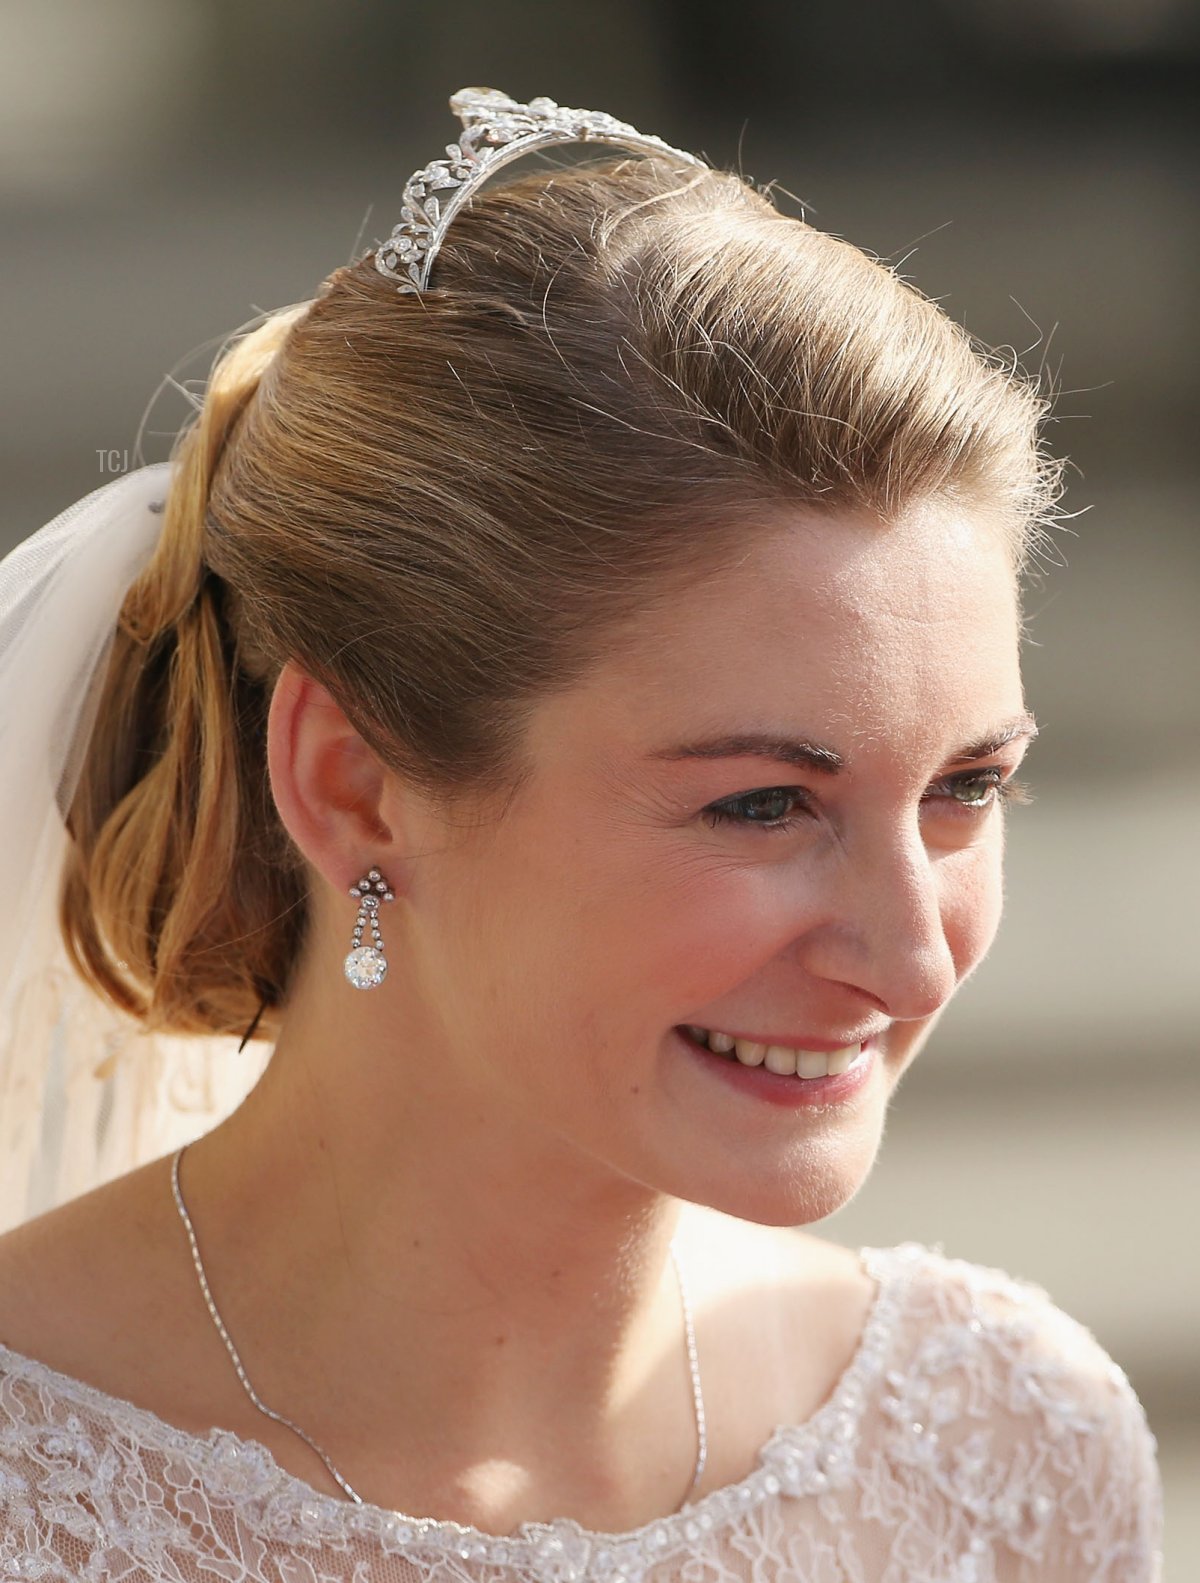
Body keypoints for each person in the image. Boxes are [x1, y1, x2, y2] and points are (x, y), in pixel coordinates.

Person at [0, 88, 1162, 1582]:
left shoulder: (1016, 1452)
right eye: (762, 804)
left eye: (966, 790)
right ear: (354, 787)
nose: (914, 957)